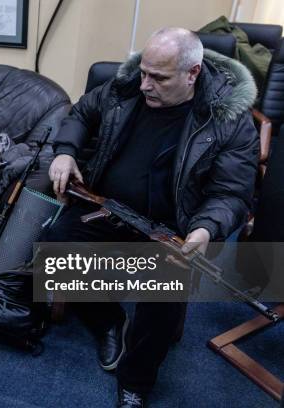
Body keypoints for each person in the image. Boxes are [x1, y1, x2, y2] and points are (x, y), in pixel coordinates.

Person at [46, 28, 258, 407]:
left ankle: (136, 382)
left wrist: (205, 229)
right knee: (54, 244)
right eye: (143, 71)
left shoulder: (230, 118)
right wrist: (65, 151)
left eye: (158, 78)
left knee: (166, 288)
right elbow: (81, 113)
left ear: (192, 73)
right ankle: (107, 320)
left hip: (172, 227)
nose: (145, 85)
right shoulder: (125, 86)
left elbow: (231, 193)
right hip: (105, 208)